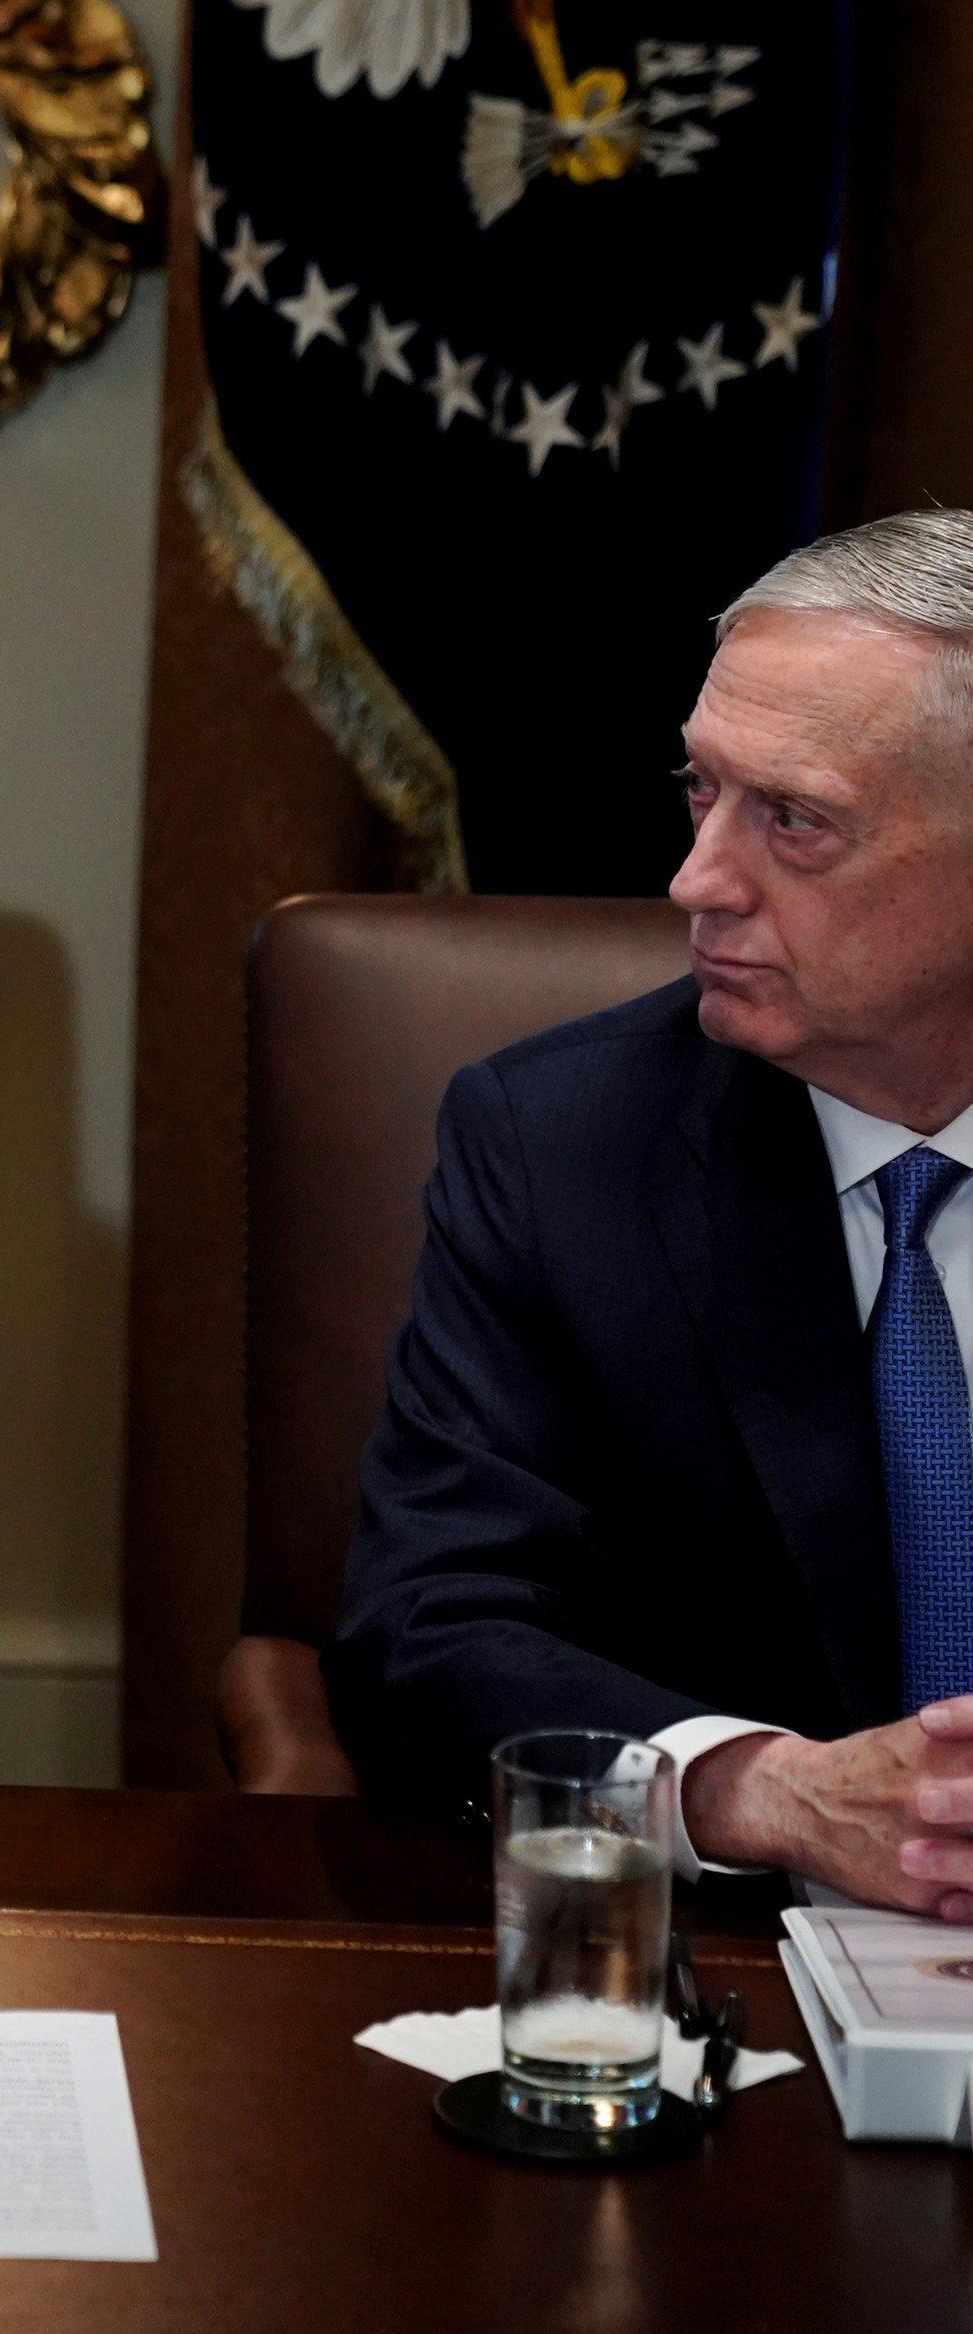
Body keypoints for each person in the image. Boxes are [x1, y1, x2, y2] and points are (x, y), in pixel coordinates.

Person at [333, 509, 973, 1922]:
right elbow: (429, 1634)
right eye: (703, 791)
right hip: (730, 1974)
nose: (698, 881)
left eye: (793, 818)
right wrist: (767, 1790)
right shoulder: (565, 1147)